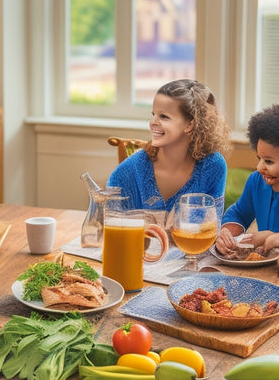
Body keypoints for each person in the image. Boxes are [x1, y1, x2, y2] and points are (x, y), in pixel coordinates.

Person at [107, 79, 232, 217]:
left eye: (164, 117)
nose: (153, 123)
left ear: (189, 125)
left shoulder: (212, 166)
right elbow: (109, 223)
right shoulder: (128, 171)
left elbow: (212, 227)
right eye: (153, 114)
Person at [215, 104, 279, 255]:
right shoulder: (256, 181)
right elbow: (239, 213)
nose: (259, 167)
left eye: (269, 161)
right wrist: (227, 235)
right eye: (259, 158)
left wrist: (272, 237)